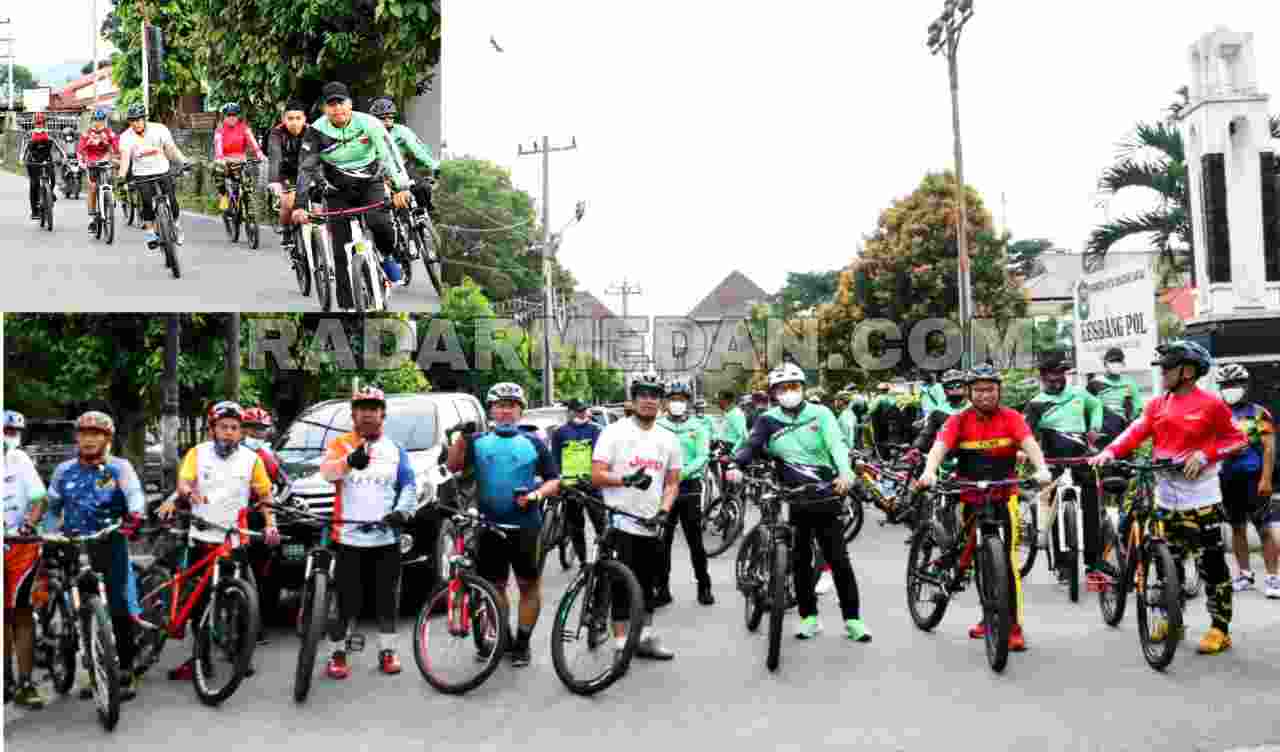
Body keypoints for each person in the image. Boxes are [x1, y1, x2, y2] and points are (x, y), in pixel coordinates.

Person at [1089, 341, 1248, 654]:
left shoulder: (1212, 405)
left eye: (1168, 367)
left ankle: (1220, 628)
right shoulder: (1157, 404)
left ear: (1187, 372)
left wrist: (1206, 454)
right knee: (1166, 564)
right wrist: (1109, 452)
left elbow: (1238, 439)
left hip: (1202, 497)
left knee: (1212, 566)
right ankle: (1168, 618)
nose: (1162, 372)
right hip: (1166, 497)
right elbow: (1136, 431)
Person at [727, 363, 870, 642]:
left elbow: (836, 445)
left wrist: (845, 472)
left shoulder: (822, 413)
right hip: (793, 498)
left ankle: (853, 620)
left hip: (827, 494)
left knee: (838, 560)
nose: (789, 392)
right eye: (783, 388)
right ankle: (809, 618)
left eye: (794, 387)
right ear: (774, 393)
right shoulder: (767, 420)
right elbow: (751, 445)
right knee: (800, 560)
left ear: (802, 389)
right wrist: (736, 464)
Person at [916, 365, 1054, 652]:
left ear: (999, 391)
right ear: (969, 393)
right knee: (980, 561)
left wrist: (1041, 468)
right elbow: (940, 447)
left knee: (1006, 563)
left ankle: (1013, 626)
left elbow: (1029, 444)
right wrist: (929, 471)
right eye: (978, 390)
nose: (985, 395)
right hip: (970, 497)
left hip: (1004, 497)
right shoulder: (959, 420)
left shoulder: (1012, 417)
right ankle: (988, 617)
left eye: (990, 389)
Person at [156, 402, 277, 677]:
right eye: (223, 427)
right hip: (201, 539)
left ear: (241, 432)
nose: (229, 433)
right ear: (212, 430)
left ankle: (239, 653)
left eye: (235, 428)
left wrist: (270, 524)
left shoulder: (251, 459)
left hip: (235, 542)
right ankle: (201, 661)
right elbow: (184, 482)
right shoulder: (197, 454)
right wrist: (187, 492)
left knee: (242, 602)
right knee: (198, 606)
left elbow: (265, 496)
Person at [446, 383, 560, 667]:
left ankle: (522, 643)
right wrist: (461, 438)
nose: (506, 410)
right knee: (495, 587)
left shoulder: (534, 442)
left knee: (527, 586)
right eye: (500, 405)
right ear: (491, 410)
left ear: (520, 410)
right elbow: (453, 467)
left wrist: (535, 494)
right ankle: (503, 638)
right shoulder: (478, 441)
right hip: (489, 526)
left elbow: (554, 480)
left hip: (525, 526)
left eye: (512, 405)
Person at [42, 411, 146, 700]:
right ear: (77, 437)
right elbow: (52, 507)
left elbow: (135, 494)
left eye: (96, 434)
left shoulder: (119, 468)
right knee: (82, 611)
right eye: (84, 433)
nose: (89, 439)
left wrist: (135, 514)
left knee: (120, 606)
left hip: (110, 541)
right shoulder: (64, 471)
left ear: (107, 439)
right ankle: (95, 670)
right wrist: (49, 530)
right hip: (74, 544)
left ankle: (125, 670)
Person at [318, 386, 417, 677]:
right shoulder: (340, 445)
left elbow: (408, 485)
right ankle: (337, 653)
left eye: (374, 409)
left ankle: (388, 650)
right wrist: (349, 462)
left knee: (386, 600)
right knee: (347, 602)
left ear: (382, 414)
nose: (368, 414)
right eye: (362, 409)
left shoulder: (396, 449)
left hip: (386, 538)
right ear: (354, 414)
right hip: (349, 538)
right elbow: (326, 473)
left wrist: (403, 511)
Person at [293, 82, 414, 310]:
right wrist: (300, 205)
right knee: (340, 248)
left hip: (371, 183)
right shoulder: (316, 132)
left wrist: (401, 188)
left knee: (381, 224)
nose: (337, 108)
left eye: (341, 102)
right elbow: (305, 168)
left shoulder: (370, 123)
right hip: (337, 190)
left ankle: (387, 257)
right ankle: (348, 307)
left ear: (350, 104)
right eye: (331, 104)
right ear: (324, 109)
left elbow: (389, 155)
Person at [591, 373, 681, 659]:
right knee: (621, 585)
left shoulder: (668, 439)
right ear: (633, 398)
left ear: (661, 402)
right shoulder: (614, 432)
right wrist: (626, 480)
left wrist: (665, 510)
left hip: (652, 523)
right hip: (620, 521)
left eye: (654, 395)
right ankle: (620, 643)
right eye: (642, 394)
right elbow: (596, 475)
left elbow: (672, 482)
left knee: (649, 585)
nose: (648, 400)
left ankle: (643, 637)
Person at [1022, 351, 1105, 587]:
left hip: (1082, 459)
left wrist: (1095, 428)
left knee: (1091, 508)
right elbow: (1024, 432)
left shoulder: (1079, 394)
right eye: (1051, 374)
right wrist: (1022, 450)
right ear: (1043, 376)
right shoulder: (1036, 403)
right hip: (1052, 463)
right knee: (1055, 510)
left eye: (1060, 373)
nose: (1056, 378)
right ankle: (1062, 565)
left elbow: (1097, 405)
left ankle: (1093, 563)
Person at [1213, 364, 1278, 597]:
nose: (1231, 390)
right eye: (1226, 386)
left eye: (1235, 385)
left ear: (1245, 387)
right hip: (1226, 479)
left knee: (1264, 529)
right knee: (1237, 528)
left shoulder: (1259, 413)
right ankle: (1244, 575)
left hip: (1254, 477)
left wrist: (1266, 479)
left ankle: (1273, 578)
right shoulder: (1216, 412)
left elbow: (1269, 449)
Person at [654, 379, 714, 607]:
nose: (677, 403)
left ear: (687, 402)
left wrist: (681, 473)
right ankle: (662, 589)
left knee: (695, 542)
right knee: (662, 542)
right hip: (663, 489)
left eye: (681, 400)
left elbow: (702, 456)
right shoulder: (658, 425)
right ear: (667, 402)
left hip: (689, 489)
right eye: (673, 400)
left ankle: (704, 585)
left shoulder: (697, 427)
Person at [4, 411, 49, 709]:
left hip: (20, 545)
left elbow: (38, 499)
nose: (9, 436)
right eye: (6, 429)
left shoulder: (18, 459)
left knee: (20, 614)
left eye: (12, 431)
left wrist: (28, 525)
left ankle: (24, 683)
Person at [117, 102, 190, 252]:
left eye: (138, 120)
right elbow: (125, 159)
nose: (135, 124)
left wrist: (184, 161)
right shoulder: (126, 137)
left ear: (144, 119)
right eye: (132, 121)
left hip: (162, 169)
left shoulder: (159, 129)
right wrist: (121, 176)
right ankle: (150, 233)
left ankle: (176, 224)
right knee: (147, 202)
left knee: (172, 200)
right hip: (142, 174)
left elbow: (171, 149)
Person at [550, 398, 605, 567]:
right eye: (577, 410)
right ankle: (582, 561)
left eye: (583, 410)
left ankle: (605, 559)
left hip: (592, 484)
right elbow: (555, 459)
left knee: (601, 524)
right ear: (570, 412)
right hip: (571, 485)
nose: (581, 413)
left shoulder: (597, 430)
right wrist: (557, 478)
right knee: (576, 526)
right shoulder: (560, 433)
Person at [367, 96, 439, 214]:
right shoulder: (369, 134)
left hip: (402, 169)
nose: (387, 120)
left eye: (390, 117)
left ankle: (422, 216)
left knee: (423, 188)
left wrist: (434, 166)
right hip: (380, 174)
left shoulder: (402, 132)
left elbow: (419, 150)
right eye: (382, 118)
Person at [266, 100, 311, 255]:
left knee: (319, 208)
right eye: (290, 118)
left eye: (298, 118)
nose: (294, 122)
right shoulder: (276, 133)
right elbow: (275, 157)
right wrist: (273, 181)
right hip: (286, 173)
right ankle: (286, 230)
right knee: (288, 201)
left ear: (305, 119)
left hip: (308, 171)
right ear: (284, 120)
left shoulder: (312, 132)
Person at [213, 103, 266, 215]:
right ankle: (223, 197)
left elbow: (252, 141)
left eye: (234, 115)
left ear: (238, 116)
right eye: (229, 115)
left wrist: (259, 153)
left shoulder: (244, 127)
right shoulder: (220, 129)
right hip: (225, 160)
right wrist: (220, 158)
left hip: (241, 160)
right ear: (224, 116)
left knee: (247, 184)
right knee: (218, 171)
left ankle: (248, 206)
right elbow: (218, 144)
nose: (232, 118)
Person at [76, 108, 121, 235]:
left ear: (104, 121)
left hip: (105, 161)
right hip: (91, 163)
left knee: (112, 176)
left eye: (101, 120)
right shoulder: (87, 134)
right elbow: (80, 150)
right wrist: (81, 162)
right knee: (93, 187)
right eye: (96, 120)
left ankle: (110, 199)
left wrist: (118, 157)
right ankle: (92, 217)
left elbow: (117, 146)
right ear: (92, 121)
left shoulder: (109, 133)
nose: (98, 123)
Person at [20, 112, 68, 221]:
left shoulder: (49, 135)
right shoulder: (29, 135)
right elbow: (23, 149)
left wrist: (64, 156)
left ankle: (49, 193)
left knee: (52, 179)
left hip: (47, 161)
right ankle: (34, 210)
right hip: (33, 163)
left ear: (44, 123)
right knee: (34, 184)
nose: (39, 125)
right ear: (34, 123)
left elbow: (58, 146)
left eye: (41, 123)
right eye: (37, 123)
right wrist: (22, 158)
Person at [1093, 347, 1141, 442]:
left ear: (1123, 364)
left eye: (1119, 361)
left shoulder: (1130, 383)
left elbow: (1137, 409)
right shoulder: (1095, 383)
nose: (1116, 364)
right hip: (1102, 432)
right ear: (1105, 364)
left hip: (1123, 432)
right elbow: (1088, 409)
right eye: (1112, 361)